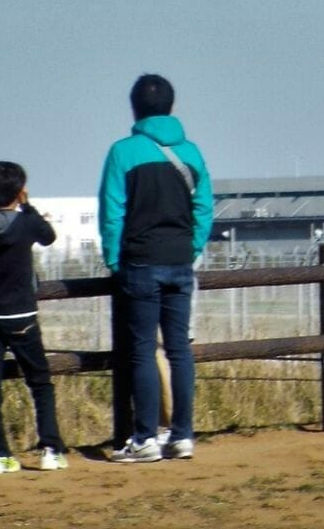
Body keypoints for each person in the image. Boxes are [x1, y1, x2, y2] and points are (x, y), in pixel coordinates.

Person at [101, 73, 213, 463]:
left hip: (140, 262)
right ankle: (182, 436)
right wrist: (192, 246)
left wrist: (114, 259)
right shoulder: (193, 153)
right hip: (180, 261)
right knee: (180, 350)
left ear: (135, 108)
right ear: (171, 106)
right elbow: (204, 209)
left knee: (143, 350)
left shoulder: (122, 152)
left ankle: (145, 438)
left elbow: (112, 211)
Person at [0, 161, 67, 474]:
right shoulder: (27, 225)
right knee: (40, 383)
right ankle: (50, 450)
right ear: (20, 190)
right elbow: (48, 236)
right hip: (22, 315)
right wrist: (29, 206)